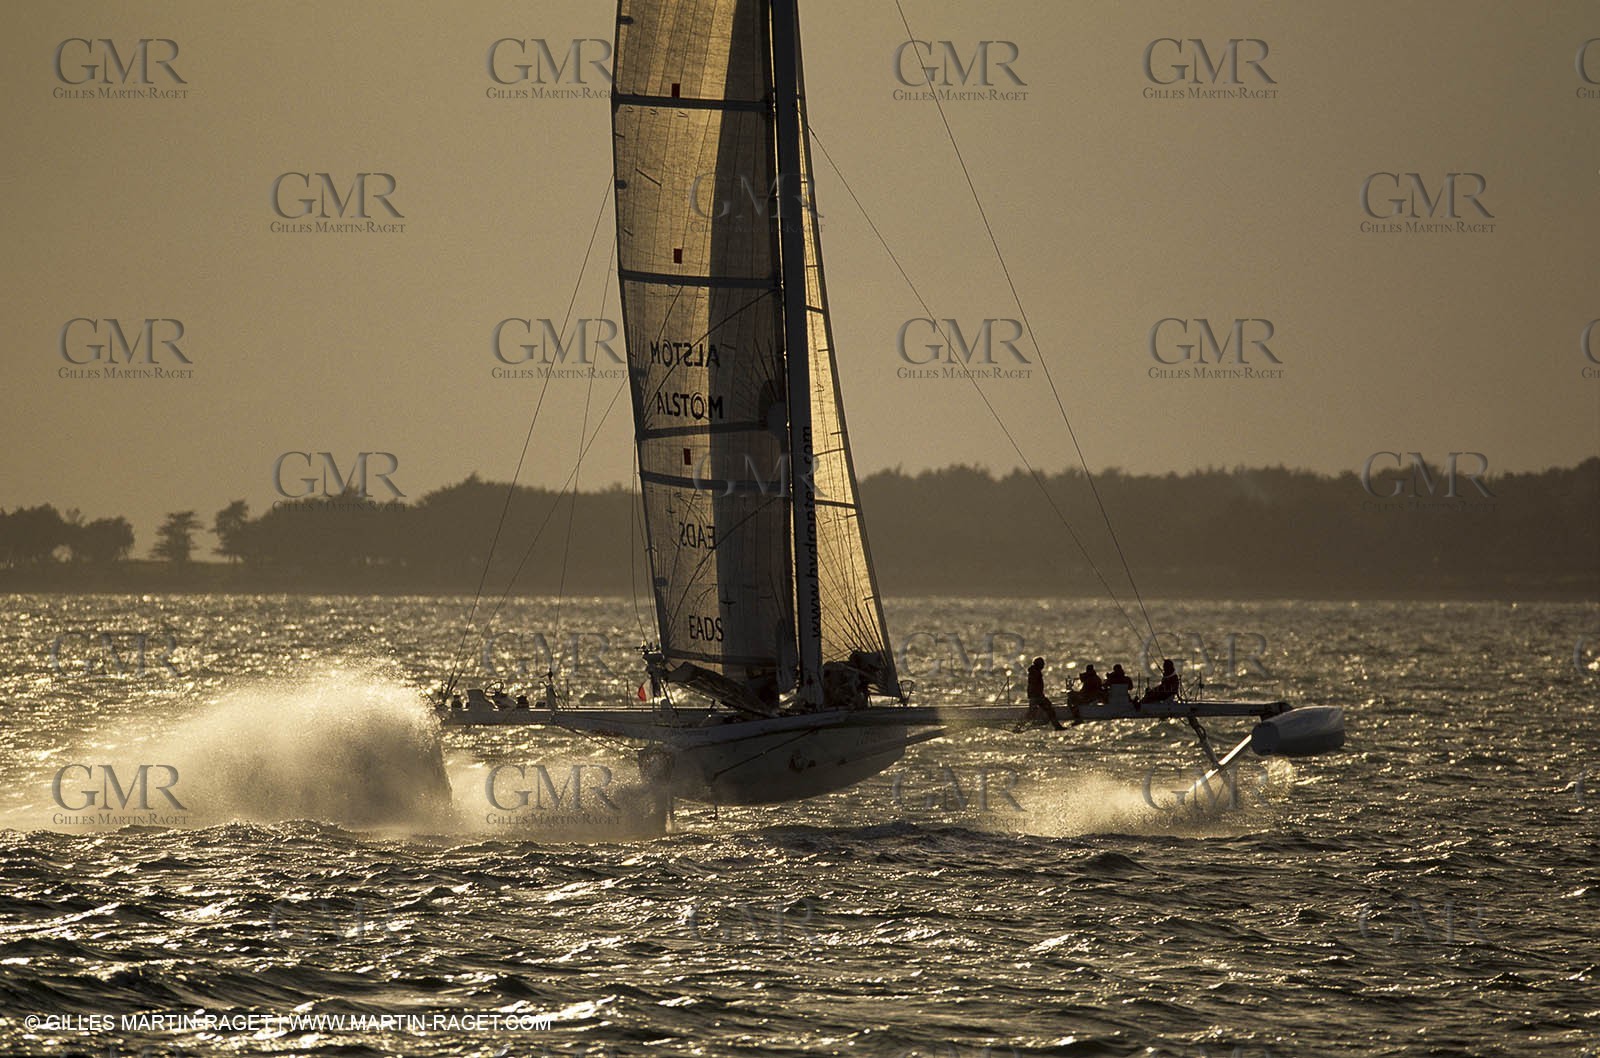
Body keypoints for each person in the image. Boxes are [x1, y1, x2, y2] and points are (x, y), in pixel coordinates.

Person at [1013, 656, 1069, 731]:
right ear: (1039, 664)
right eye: (1042, 664)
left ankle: (1056, 726)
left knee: (1047, 710)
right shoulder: (1035, 673)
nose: (1043, 666)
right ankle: (1018, 727)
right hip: (1037, 697)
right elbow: (1035, 686)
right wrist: (1039, 695)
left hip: (1037, 696)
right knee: (1033, 714)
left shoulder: (1034, 671)